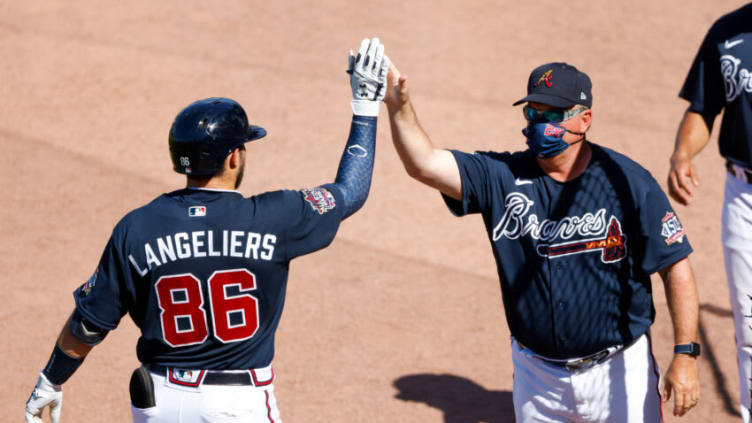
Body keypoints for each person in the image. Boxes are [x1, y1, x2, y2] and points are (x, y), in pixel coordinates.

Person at [24, 38, 388, 423]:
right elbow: (353, 190)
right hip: (238, 405)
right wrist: (365, 105)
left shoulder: (137, 227)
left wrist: (51, 380)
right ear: (233, 156)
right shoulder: (276, 217)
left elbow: (89, 324)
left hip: (159, 404)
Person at [384, 60, 701, 421]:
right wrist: (399, 107)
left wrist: (686, 353)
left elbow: (675, 264)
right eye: (534, 113)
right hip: (538, 378)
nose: (540, 124)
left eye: (553, 113)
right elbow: (423, 164)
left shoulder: (627, 182)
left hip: (618, 369)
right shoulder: (501, 177)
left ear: (585, 119)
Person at [667, 4, 752, 420]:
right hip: (745, 195)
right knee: (751, 329)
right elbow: (703, 108)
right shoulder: (728, 32)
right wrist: (683, 154)